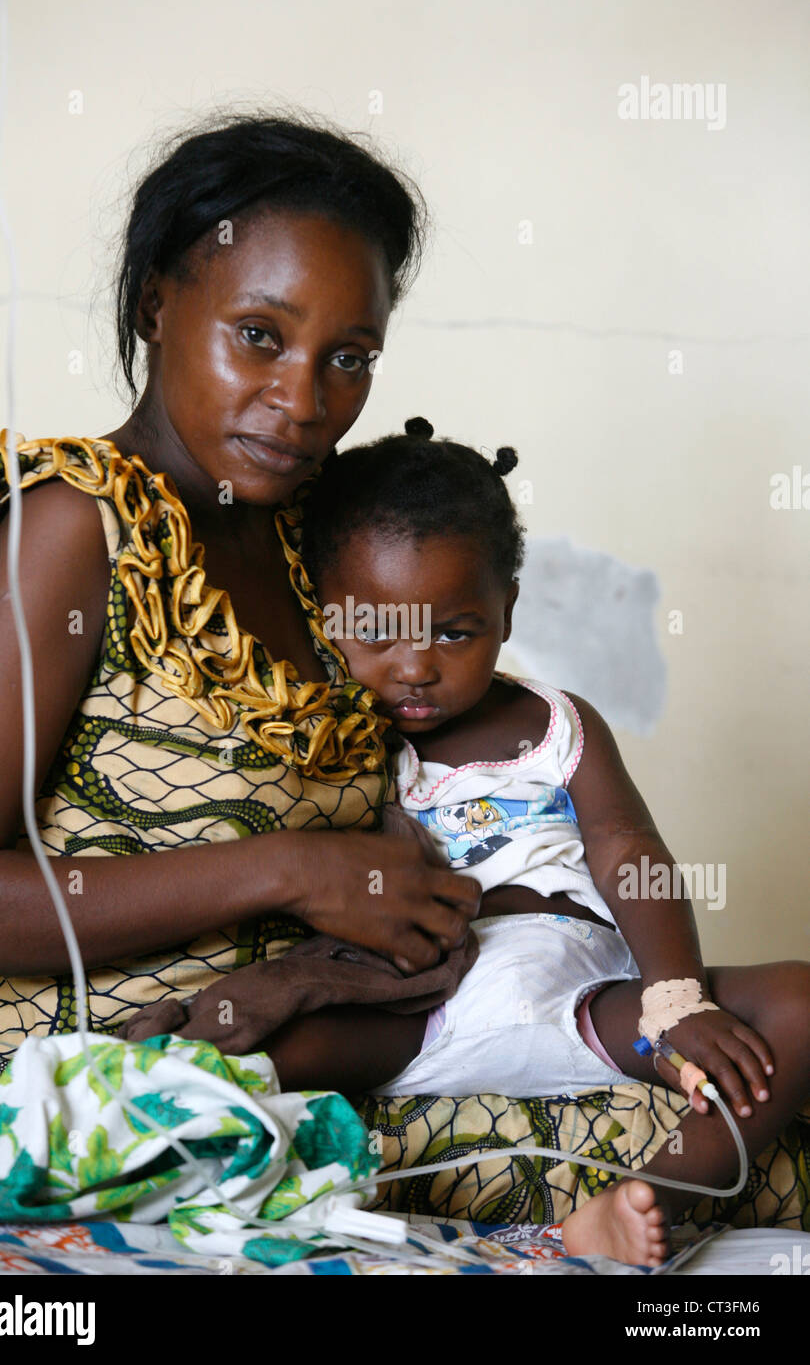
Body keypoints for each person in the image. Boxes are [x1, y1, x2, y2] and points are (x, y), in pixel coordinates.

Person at [0, 113, 480, 1083]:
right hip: (129, 1104)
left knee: (763, 1084)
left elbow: (459, 732)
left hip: (358, 1060)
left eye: (348, 356)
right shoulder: (78, 528)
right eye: (259, 336)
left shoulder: (317, 533)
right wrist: (291, 868)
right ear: (155, 305)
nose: (302, 398)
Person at [295, 416, 810, 1268]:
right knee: (263, 1046)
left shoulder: (556, 725)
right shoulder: (344, 744)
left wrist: (674, 999)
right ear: (325, 617)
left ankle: (647, 1197)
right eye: (375, 635)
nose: (414, 667)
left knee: (796, 1000)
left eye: (454, 632)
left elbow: (626, 850)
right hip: (415, 1010)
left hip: (591, 1007)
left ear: (507, 611)